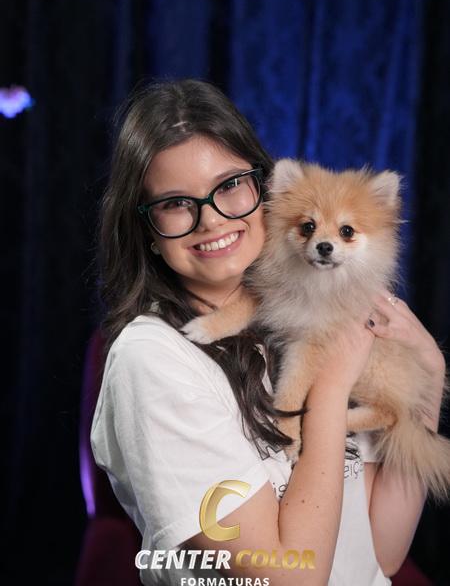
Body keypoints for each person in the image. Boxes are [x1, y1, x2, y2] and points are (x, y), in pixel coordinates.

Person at [90, 78, 447, 586]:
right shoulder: (152, 360)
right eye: (176, 203)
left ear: (265, 191)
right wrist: (331, 388)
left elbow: (380, 552)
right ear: (148, 230)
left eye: (229, 185)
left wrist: (430, 368)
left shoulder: (292, 319)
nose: (210, 220)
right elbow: (289, 580)